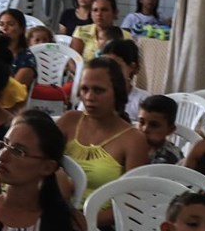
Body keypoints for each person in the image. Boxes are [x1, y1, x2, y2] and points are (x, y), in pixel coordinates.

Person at [57, 58, 148, 196]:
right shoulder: (69, 121)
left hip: (106, 210)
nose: (89, 97)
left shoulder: (133, 140)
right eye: (84, 89)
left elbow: (133, 200)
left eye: (98, 90)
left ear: (117, 92)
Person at [138, 96, 182, 166]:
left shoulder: (168, 158)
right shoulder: (132, 144)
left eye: (154, 125)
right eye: (141, 122)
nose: (145, 129)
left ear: (170, 130)